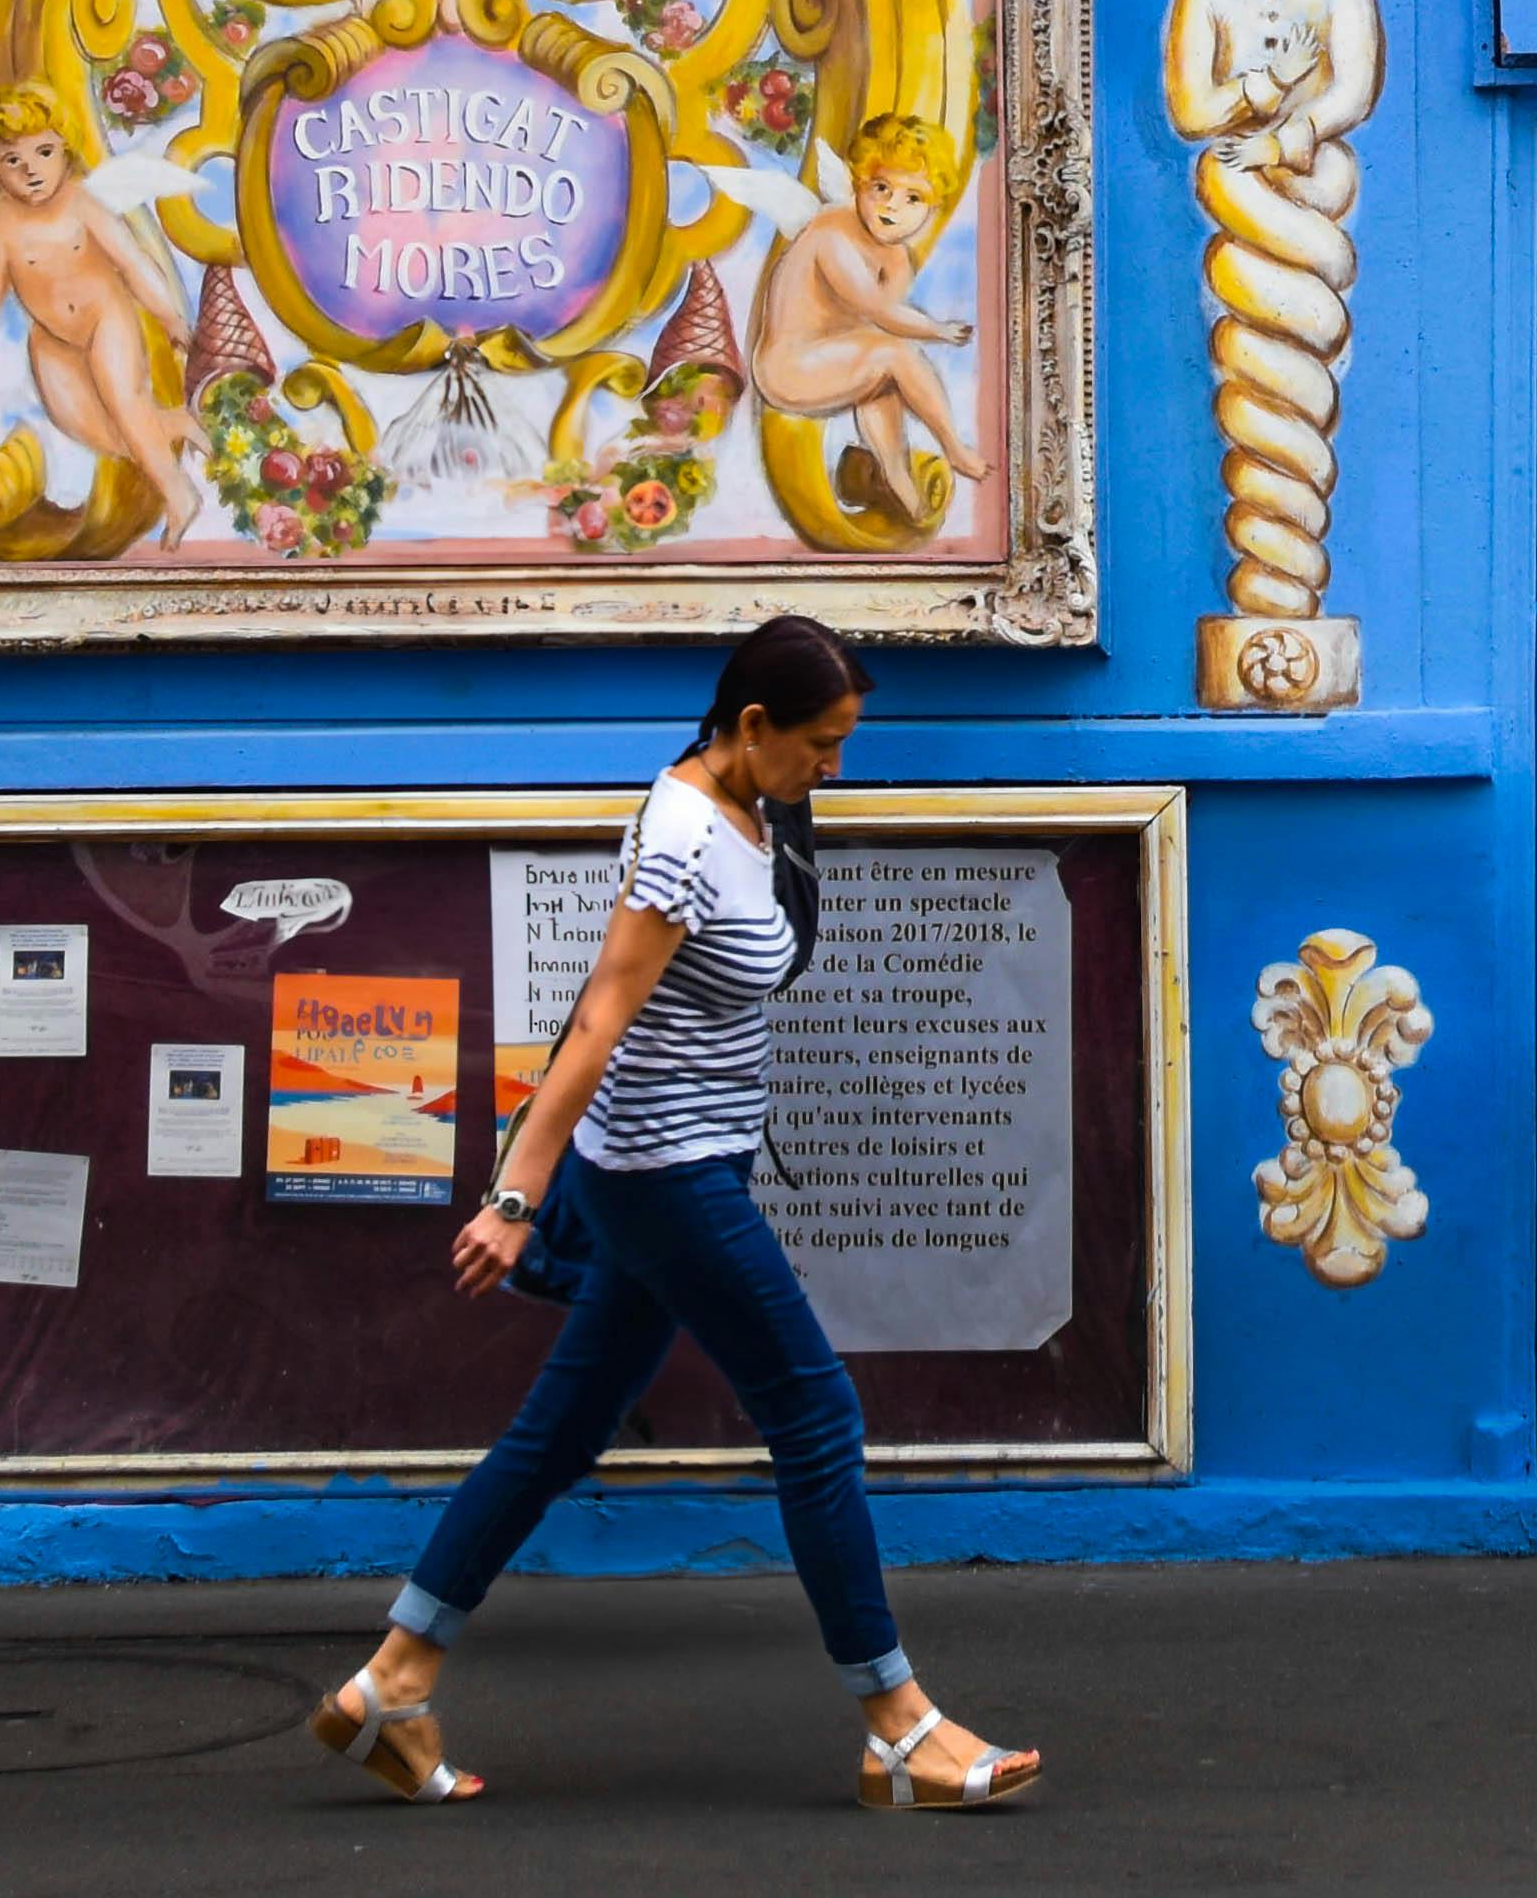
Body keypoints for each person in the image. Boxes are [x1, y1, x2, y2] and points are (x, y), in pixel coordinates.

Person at [302, 618, 1043, 1813]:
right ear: (751, 726)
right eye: (821, 742)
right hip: (664, 1175)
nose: (835, 765)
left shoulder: (755, 809)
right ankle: (900, 1728)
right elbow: (599, 1013)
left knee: (560, 1432)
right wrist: (514, 1197)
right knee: (815, 1412)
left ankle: (392, 1677)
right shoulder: (685, 837)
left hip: (682, 1165)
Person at [0, 86, 206, 547]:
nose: (31, 169)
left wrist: (169, 317)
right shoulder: (0, 225)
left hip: (105, 319)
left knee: (125, 403)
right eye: (12, 160)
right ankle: (176, 423)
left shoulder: (80, 203)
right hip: (52, 340)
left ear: (64, 151)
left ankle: (180, 497)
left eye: (43, 152)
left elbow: (133, 263)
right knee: (94, 431)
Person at [752, 113, 980, 526]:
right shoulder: (831, 234)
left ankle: (902, 487)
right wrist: (938, 331)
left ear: (931, 209)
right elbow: (877, 310)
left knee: (886, 378)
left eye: (913, 199)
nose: (892, 206)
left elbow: (872, 324)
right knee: (893, 354)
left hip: (831, 359)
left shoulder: (896, 257)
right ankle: (955, 448)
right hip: (788, 367)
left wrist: (898, 278)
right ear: (859, 183)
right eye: (881, 188)